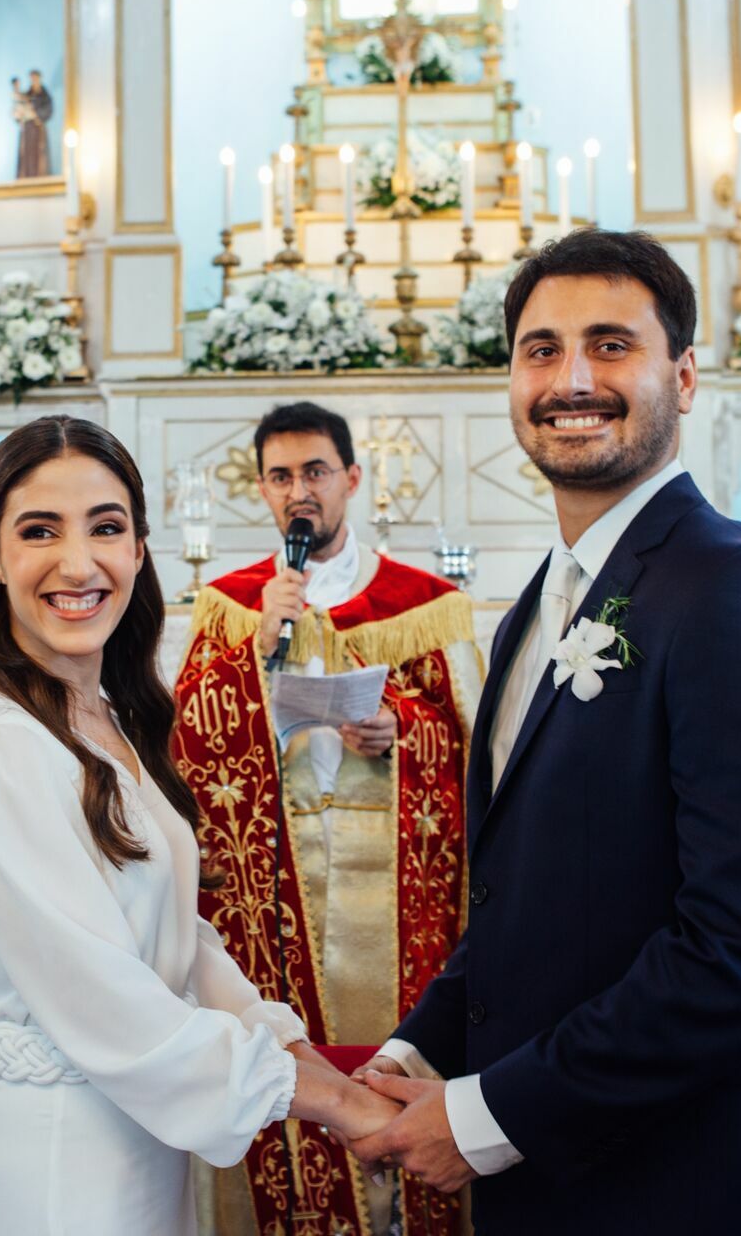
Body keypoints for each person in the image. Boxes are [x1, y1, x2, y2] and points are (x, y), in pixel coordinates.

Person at [347, 231, 741, 1234]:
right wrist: (418, 1050)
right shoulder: (531, 611)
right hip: (552, 1185)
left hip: (698, 1186)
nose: (572, 379)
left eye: (611, 345)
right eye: (541, 350)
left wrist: (490, 1115)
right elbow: (528, 901)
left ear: (684, 375)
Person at [0, 416, 399, 1235]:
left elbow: (171, 933)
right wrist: (338, 1104)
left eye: (105, 528)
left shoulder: (101, 714)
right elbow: (104, 996)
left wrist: (284, 1044)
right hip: (62, 1152)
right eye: (39, 531)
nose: (78, 563)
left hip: (136, 1129)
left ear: (138, 549)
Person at [171, 402, 479, 1236]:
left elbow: (471, 745)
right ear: (262, 490)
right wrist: (254, 656)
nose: (298, 491)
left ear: (351, 477)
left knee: (393, 1051)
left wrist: (399, 728)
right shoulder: (234, 607)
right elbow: (191, 743)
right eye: (280, 476)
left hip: (396, 895)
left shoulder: (424, 604)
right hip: (275, 890)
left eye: (314, 472)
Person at [12, 70, 53, 179]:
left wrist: (36, 114)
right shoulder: (27, 95)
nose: (33, 80)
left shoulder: (44, 95)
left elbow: (48, 110)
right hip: (27, 130)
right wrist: (19, 115)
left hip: (38, 129)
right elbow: (19, 108)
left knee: (39, 156)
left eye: (35, 78)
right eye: (32, 78)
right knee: (26, 156)